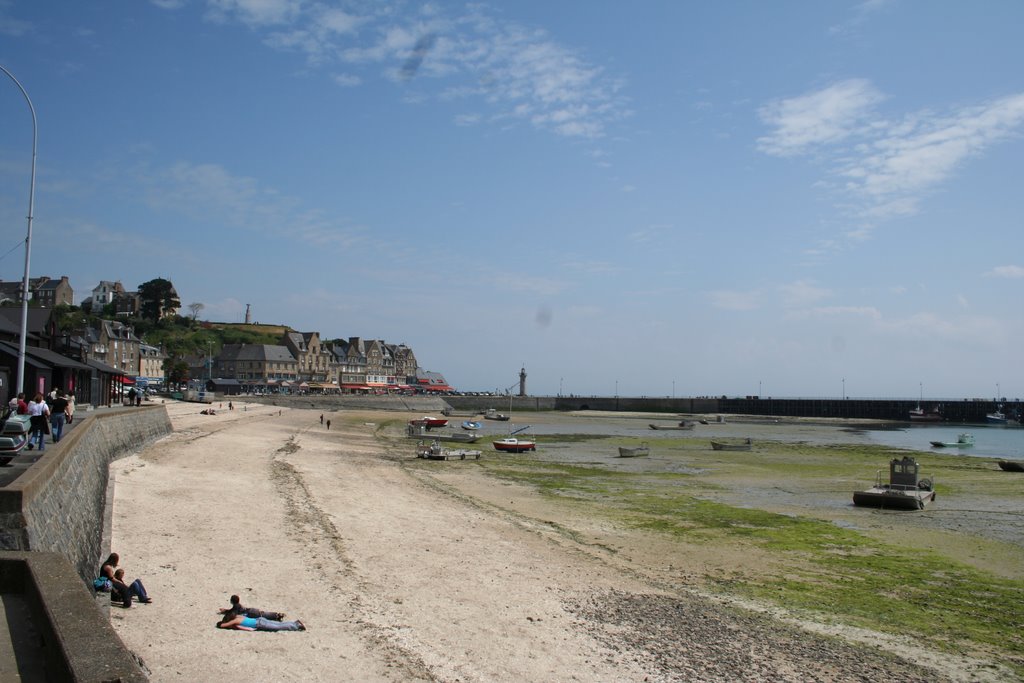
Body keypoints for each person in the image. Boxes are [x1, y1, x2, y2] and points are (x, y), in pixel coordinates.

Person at [219, 594, 286, 621]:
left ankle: (277, 616)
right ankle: (277, 615)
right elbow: (232, 610)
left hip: (251, 613)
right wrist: (225, 610)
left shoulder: (236, 606)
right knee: (264, 614)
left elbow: (232, 612)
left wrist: (225, 611)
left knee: (263, 615)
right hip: (251, 610)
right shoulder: (238, 605)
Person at [217, 613, 305, 631]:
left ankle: (296, 626)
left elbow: (224, 625)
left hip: (259, 624)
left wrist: (221, 624)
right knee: (278, 624)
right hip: (259, 620)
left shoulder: (235, 620)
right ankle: (295, 623)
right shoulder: (238, 616)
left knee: (278, 627)